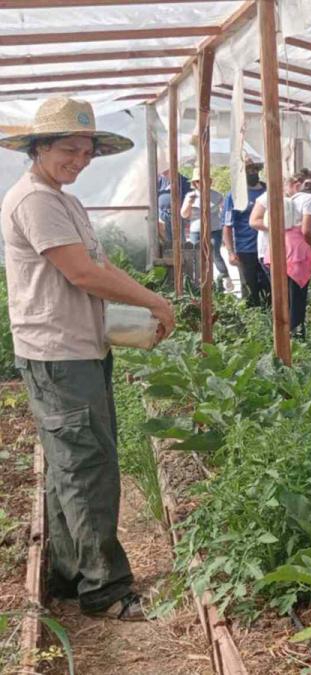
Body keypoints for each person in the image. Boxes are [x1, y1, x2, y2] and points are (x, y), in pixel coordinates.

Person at [0, 97, 176, 621]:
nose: (80, 160)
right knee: (87, 467)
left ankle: (69, 573)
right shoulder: (36, 200)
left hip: (77, 349)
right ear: (40, 147)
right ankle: (107, 590)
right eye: (69, 150)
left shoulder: (60, 196)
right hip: (59, 355)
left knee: (71, 464)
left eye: (88, 151)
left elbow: (91, 269)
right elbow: (83, 273)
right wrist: (152, 299)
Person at [249, 169, 311, 338]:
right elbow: (306, 230)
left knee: (283, 298)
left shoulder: (291, 200)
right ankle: (295, 338)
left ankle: (283, 336)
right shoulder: (307, 199)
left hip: (278, 250)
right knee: (295, 299)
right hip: (291, 252)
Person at [222, 163, 268, 306]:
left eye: (254, 170)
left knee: (269, 286)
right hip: (246, 248)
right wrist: (230, 251)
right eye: (248, 170)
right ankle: (253, 317)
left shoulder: (268, 191)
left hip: (268, 247)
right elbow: (227, 226)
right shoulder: (235, 195)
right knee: (250, 287)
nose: (252, 173)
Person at [181, 174, 231, 292]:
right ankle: (199, 282)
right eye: (198, 181)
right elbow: (184, 214)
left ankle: (224, 278)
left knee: (214, 253)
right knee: (196, 256)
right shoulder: (190, 196)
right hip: (196, 230)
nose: (201, 183)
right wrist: (189, 203)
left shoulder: (217, 195)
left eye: (204, 180)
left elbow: (224, 212)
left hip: (214, 229)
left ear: (210, 181)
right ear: (194, 183)